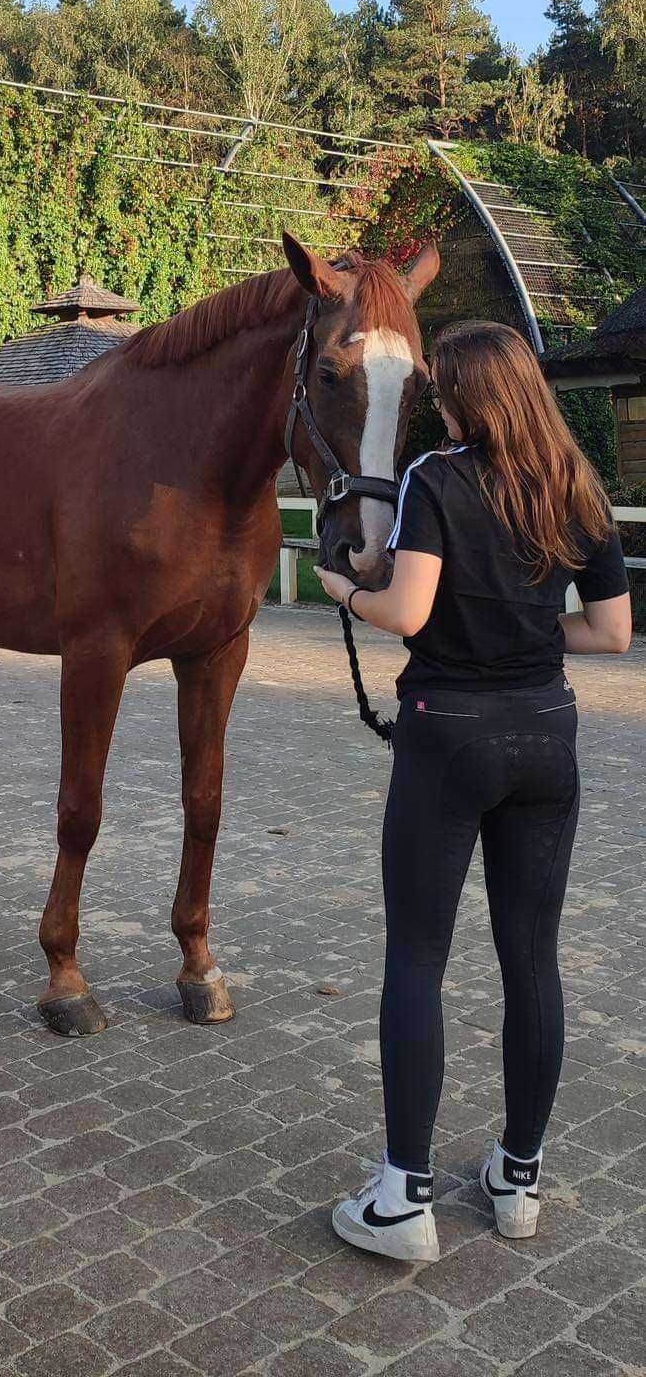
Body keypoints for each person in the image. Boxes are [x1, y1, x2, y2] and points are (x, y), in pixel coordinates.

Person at [315, 320, 632, 1264]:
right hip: (548, 736)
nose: (437, 406)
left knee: (417, 956)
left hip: (449, 737)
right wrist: (528, 643)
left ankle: (403, 1197)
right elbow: (612, 634)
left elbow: (406, 609)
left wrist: (343, 590)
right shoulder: (578, 487)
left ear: (464, 397)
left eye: (440, 390)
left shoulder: (437, 478)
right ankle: (518, 1177)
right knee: (532, 960)